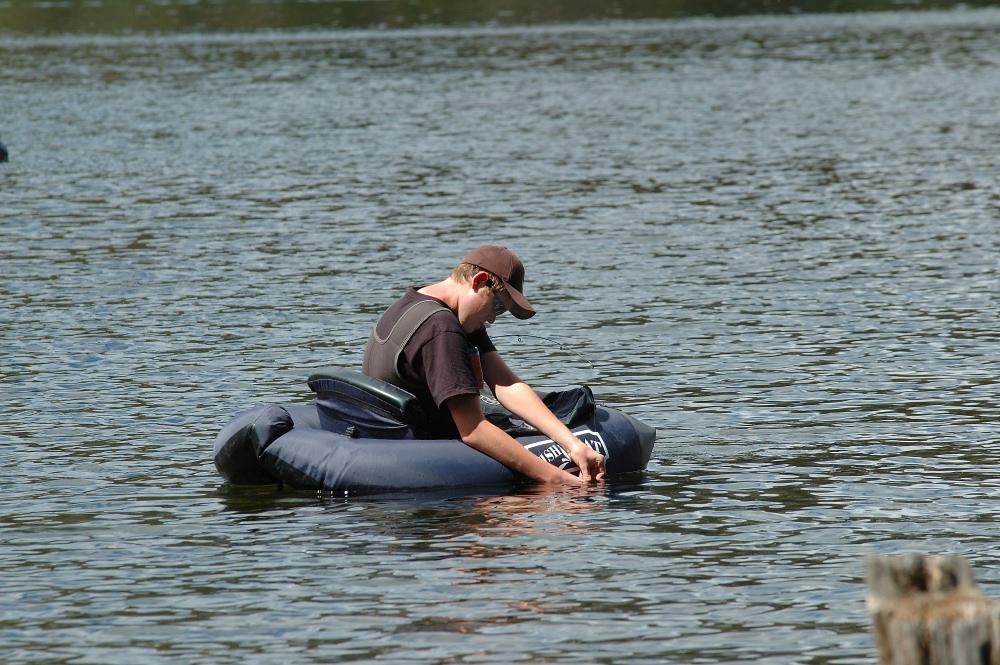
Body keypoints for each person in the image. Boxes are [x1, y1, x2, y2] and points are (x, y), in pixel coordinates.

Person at [362, 245, 606, 485]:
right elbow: (474, 430)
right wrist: (558, 479)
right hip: (407, 449)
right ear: (478, 281)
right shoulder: (442, 327)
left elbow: (506, 383)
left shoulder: (423, 301)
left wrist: (573, 444)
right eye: (498, 307)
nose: (492, 319)